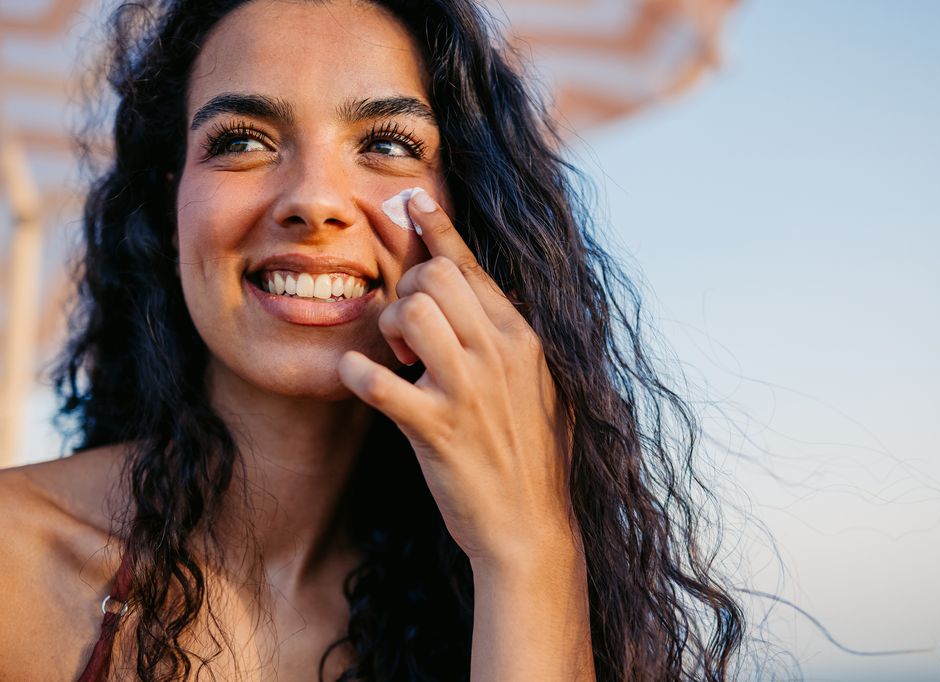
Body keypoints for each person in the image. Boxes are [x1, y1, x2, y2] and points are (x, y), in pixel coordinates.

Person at [0, 0, 744, 679]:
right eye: (242, 139)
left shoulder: (471, 588)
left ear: (468, 210)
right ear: (171, 204)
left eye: (387, 143)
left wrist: (528, 551)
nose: (314, 201)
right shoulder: (15, 562)